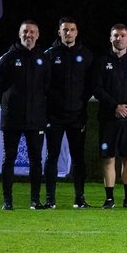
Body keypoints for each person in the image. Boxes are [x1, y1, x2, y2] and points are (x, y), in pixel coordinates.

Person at [0, 21, 49, 209]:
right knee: (9, 158)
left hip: (36, 120)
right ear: (19, 33)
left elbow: (48, 89)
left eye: (32, 32)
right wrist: (7, 108)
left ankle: (35, 200)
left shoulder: (43, 59)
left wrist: (40, 110)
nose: (29, 35)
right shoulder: (7, 58)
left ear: (38, 35)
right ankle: (7, 201)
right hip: (12, 120)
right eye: (25, 31)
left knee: (36, 160)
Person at [93, 24, 127, 208]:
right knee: (108, 158)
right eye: (116, 35)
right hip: (109, 117)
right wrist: (115, 106)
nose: (119, 38)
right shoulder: (102, 61)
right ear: (110, 38)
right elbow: (97, 88)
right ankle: (109, 198)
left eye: (123, 35)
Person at [42, 17, 93, 208]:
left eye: (72, 29)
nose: (68, 33)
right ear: (59, 32)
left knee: (78, 157)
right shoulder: (49, 55)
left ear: (77, 32)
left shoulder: (86, 55)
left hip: (77, 116)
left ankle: (79, 199)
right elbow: (43, 85)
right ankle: (50, 200)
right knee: (52, 156)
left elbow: (90, 84)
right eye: (65, 30)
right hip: (53, 116)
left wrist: (79, 102)